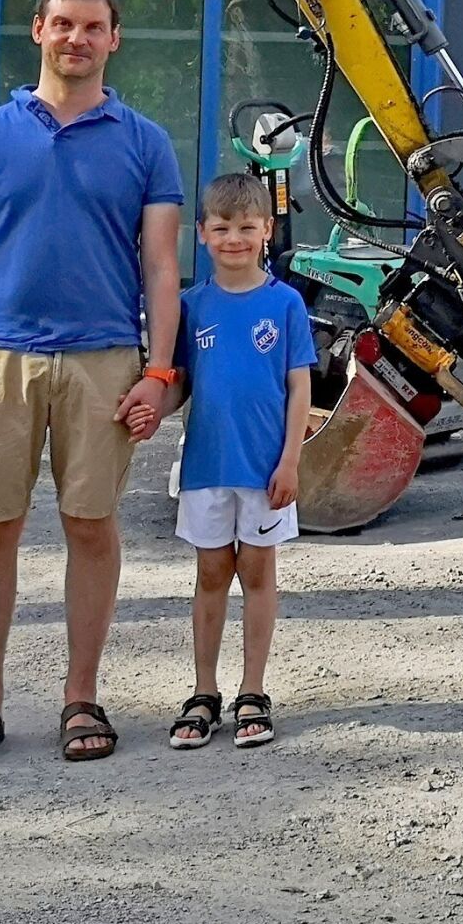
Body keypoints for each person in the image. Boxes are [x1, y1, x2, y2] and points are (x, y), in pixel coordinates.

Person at [0, 0, 185, 767]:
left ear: (113, 39)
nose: (76, 39)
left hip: (103, 360)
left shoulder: (145, 142)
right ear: (38, 31)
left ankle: (81, 696)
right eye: (62, 24)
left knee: (91, 527)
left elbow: (162, 268)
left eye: (92, 27)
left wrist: (159, 371)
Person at [121, 172, 316, 753]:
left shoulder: (284, 305)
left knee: (258, 575)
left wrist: (291, 462)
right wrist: (152, 408)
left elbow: (299, 389)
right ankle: (204, 692)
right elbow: (179, 384)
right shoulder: (188, 306)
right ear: (201, 233)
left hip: (264, 471)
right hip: (206, 467)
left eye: (247, 228)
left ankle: (253, 691)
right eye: (222, 227)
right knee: (210, 577)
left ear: (267, 231)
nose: (235, 238)